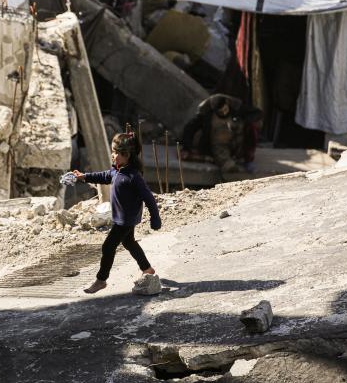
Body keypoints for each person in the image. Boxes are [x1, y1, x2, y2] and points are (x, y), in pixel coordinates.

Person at [72, 132, 162, 294]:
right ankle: (147, 268)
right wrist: (84, 177)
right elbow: (104, 176)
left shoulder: (133, 176)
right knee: (129, 242)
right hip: (121, 218)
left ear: (126, 155)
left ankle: (101, 280)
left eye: (115, 152)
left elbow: (149, 198)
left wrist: (155, 218)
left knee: (108, 247)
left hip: (126, 220)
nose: (112, 155)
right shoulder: (117, 170)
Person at [181, 94, 263, 173]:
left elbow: (257, 113)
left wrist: (244, 122)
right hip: (218, 145)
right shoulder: (206, 114)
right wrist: (187, 146)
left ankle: (247, 159)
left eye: (225, 110)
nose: (224, 113)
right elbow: (189, 128)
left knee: (254, 126)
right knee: (227, 165)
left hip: (236, 141)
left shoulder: (236, 107)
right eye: (221, 112)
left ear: (227, 104)